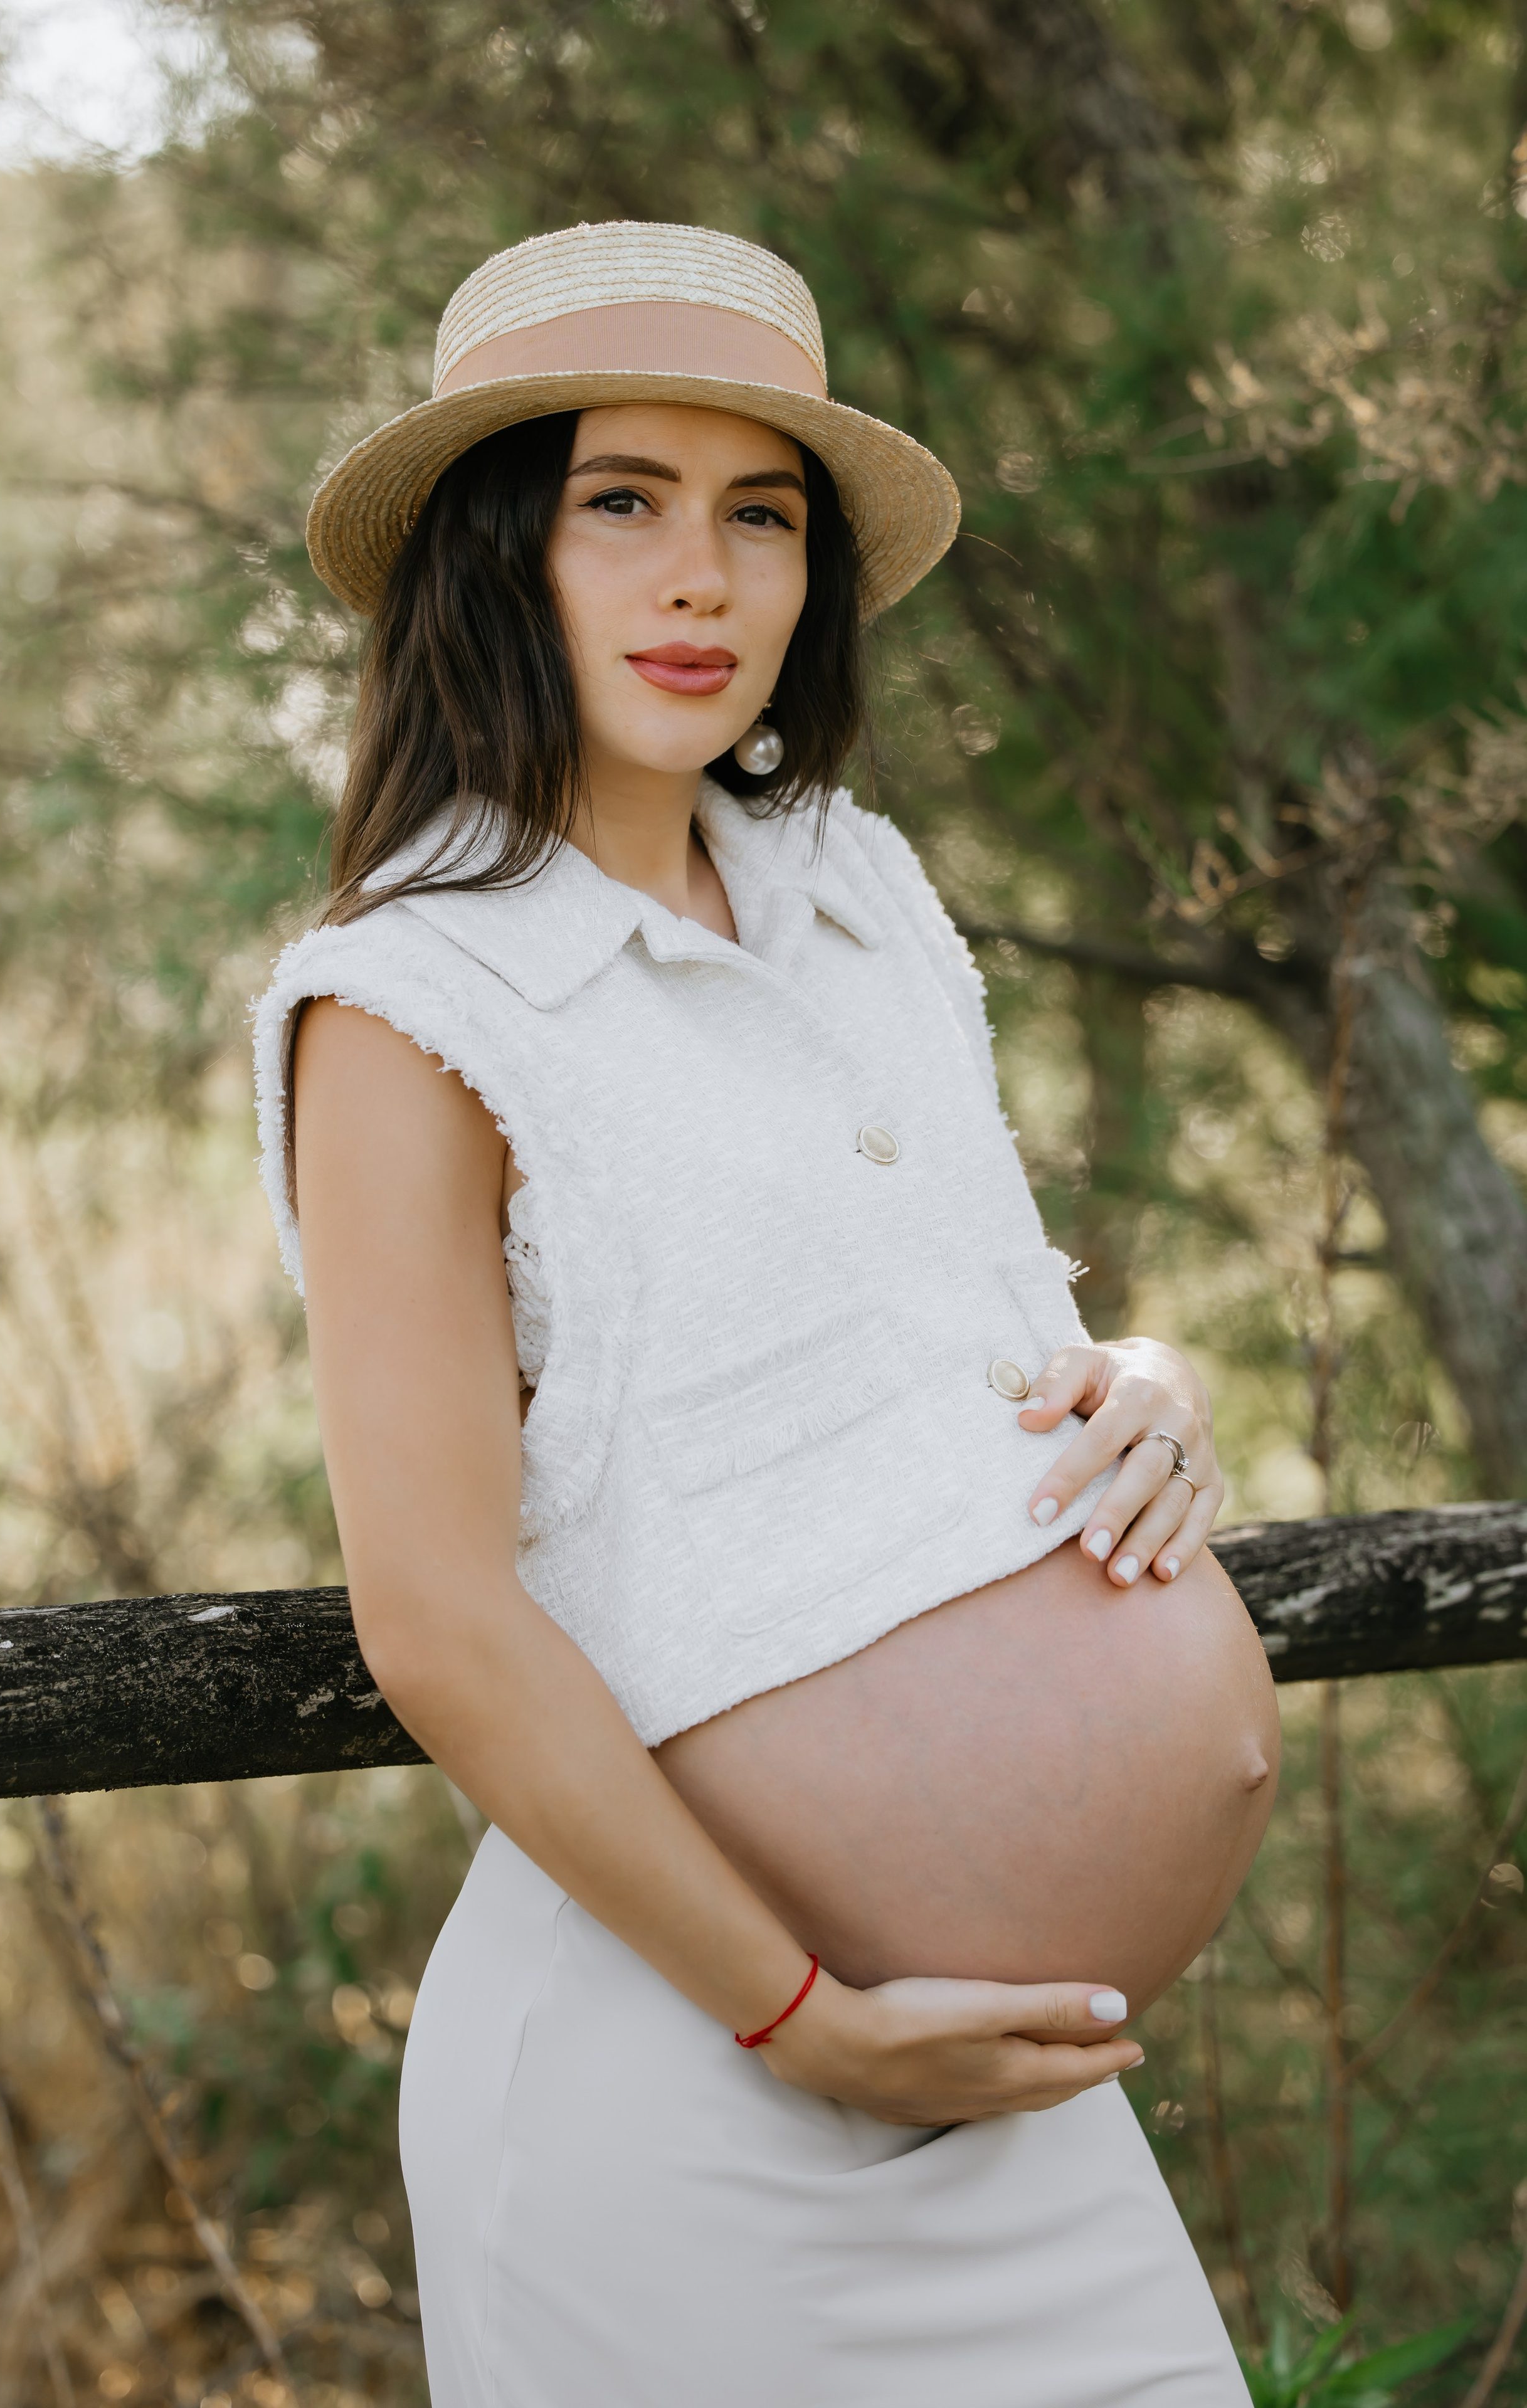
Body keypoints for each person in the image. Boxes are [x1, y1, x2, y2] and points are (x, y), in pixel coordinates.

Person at [255, 220, 1274, 2404]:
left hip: (1019, 2097)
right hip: (691, 2073)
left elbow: (983, 1330)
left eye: (760, 514)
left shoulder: (864, 897)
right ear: (494, 554)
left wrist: (1157, 1382)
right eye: (621, 503)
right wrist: (799, 2015)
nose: (700, 577)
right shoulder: (408, 1004)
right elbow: (436, 1619)